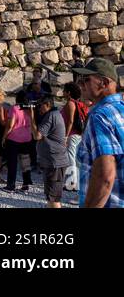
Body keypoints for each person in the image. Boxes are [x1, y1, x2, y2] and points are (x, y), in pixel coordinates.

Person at [72, 58, 124, 208]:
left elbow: (104, 176)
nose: (80, 85)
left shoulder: (100, 117)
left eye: (85, 80)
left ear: (104, 83)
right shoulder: (120, 110)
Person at [32, 95, 70, 208]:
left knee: (53, 198)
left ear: (47, 105)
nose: (38, 108)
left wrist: (31, 117)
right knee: (51, 197)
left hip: (55, 162)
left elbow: (37, 136)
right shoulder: (54, 114)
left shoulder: (51, 116)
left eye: (40, 105)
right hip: (54, 161)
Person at [3, 91, 36, 191]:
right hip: (26, 139)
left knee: (12, 163)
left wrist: (4, 137)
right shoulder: (30, 109)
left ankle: (11, 185)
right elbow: (33, 122)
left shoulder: (14, 108)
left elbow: (10, 125)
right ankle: (26, 184)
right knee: (25, 162)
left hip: (13, 139)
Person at [62, 81, 89, 192]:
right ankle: (75, 183)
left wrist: (65, 136)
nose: (62, 92)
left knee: (71, 159)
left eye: (64, 90)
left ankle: (72, 183)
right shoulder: (78, 103)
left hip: (72, 135)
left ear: (68, 92)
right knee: (76, 160)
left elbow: (71, 121)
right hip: (78, 134)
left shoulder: (70, 103)